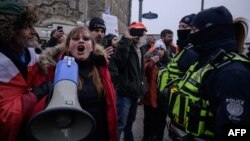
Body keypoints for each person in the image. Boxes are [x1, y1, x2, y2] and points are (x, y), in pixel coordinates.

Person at [167, 6, 250, 141]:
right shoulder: (205, 63)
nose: (190, 35)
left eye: (194, 30)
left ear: (211, 32)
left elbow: (240, 131)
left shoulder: (233, 73)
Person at [33, 26, 117, 141]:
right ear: (68, 46)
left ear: (92, 47)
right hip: (70, 134)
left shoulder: (101, 67)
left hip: (99, 132)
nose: (81, 41)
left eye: (86, 39)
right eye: (76, 38)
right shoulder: (55, 69)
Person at [0, 2, 51, 141]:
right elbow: (5, 119)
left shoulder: (32, 55)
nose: (34, 31)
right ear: (10, 29)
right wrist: (36, 95)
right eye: (27, 26)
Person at [113, 21, 148, 141]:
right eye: (135, 32)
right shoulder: (123, 45)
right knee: (120, 124)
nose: (138, 35)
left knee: (129, 123)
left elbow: (140, 70)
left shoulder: (141, 49)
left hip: (135, 92)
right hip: (124, 92)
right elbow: (120, 62)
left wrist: (141, 86)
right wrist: (126, 39)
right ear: (129, 31)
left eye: (141, 32)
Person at [140, 39, 170, 141]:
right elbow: (144, 74)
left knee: (160, 123)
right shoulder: (149, 62)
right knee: (148, 122)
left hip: (162, 99)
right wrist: (151, 64)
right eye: (157, 48)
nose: (160, 51)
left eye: (162, 49)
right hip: (150, 98)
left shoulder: (169, 64)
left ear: (165, 51)